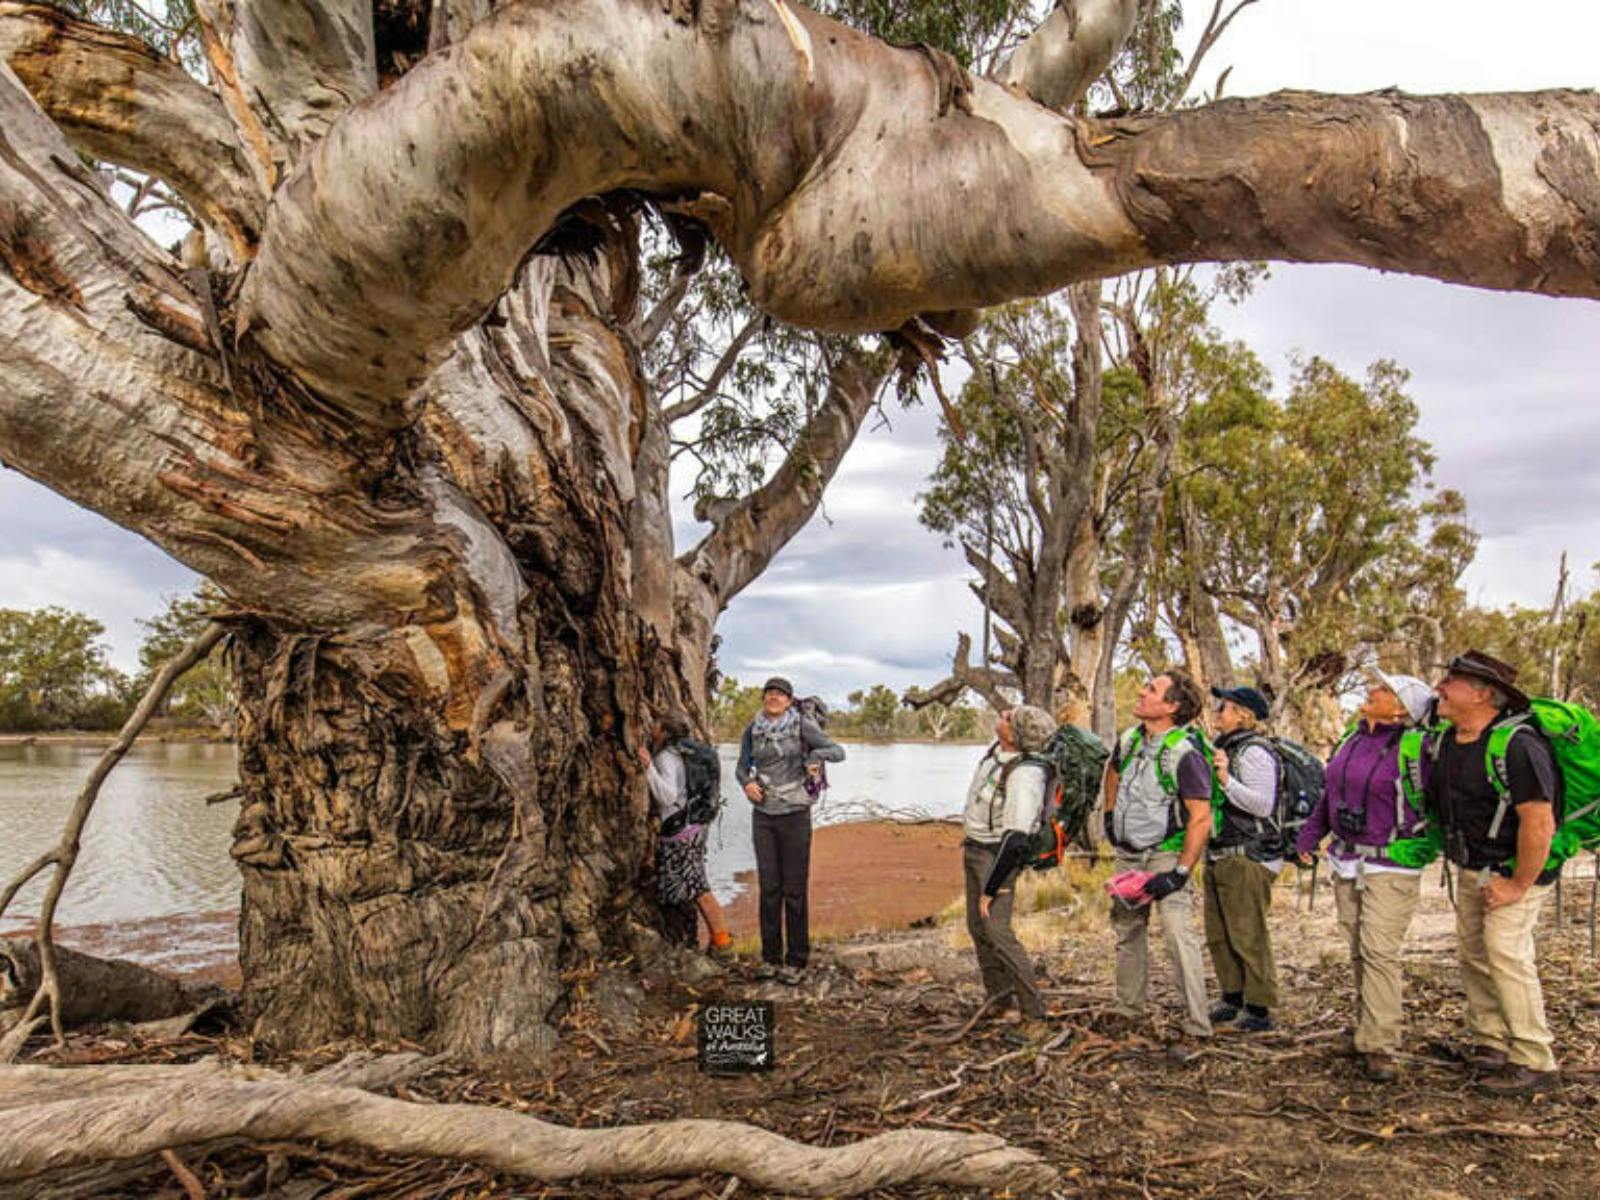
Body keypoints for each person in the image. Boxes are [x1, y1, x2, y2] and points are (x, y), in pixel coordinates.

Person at [1427, 650, 1561, 1095]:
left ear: (1484, 694)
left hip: (1515, 871)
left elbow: (1539, 822)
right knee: (1474, 955)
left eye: (1452, 681)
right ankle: (1491, 1043)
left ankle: (1535, 1059)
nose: (1440, 688)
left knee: (1506, 955)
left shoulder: (1520, 746)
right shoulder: (1448, 741)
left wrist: (1518, 884)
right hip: (1472, 867)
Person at [1296, 668, 1435, 1082]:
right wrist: (1309, 836)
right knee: (1359, 946)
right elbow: (1330, 794)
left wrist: (1422, 847)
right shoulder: (1352, 739)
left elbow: (1440, 803)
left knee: (1379, 949)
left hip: (1391, 864)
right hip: (1347, 860)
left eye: (1384, 689)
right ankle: (1367, 1026)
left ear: (1401, 708)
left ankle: (1382, 1043)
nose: (1372, 692)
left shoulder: (1416, 750)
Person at [1102, 669, 1214, 1039]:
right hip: (1128, 853)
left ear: (1172, 706)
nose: (1140, 692)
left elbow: (1200, 818)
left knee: (1177, 933)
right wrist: (1109, 814)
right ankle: (1127, 1007)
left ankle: (1198, 1024)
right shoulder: (1130, 739)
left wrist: (1179, 873)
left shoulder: (1185, 753)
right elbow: (1113, 772)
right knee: (1127, 930)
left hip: (1166, 856)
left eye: (1151, 690)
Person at [735, 677, 845, 984]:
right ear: (764, 698)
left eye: (779, 694)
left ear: (788, 700)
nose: (773, 698)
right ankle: (770, 959)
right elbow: (741, 767)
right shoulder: (752, 730)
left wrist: (814, 757)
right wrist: (747, 784)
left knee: (794, 890)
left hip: (796, 815)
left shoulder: (801, 727)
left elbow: (837, 751)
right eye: (769, 693)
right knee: (769, 889)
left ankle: (797, 960)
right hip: (764, 816)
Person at [962, 705, 1057, 1038]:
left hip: (996, 857)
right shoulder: (997, 754)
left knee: (998, 933)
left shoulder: (1025, 774)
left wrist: (992, 886)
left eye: (1007, 716)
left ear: (1015, 733)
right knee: (977, 927)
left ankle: (1035, 1016)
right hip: (974, 848)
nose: (1000, 714)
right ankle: (1000, 999)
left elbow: (1017, 836)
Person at [1202, 685, 1282, 1034]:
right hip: (1221, 852)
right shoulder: (1225, 747)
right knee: (1220, 932)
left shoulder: (1254, 753)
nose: (1218, 712)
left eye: (1225, 707)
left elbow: (1262, 804)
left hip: (1248, 855)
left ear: (1244, 715)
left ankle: (1259, 1007)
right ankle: (1231, 996)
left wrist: (1225, 781)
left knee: (1247, 932)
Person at [639, 712, 733, 957]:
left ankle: (722, 943)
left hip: (680, 832)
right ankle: (716, 942)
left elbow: (668, 796)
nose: (651, 730)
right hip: (695, 826)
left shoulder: (666, 757)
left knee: (697, 887)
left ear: (665, 732)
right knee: (692, 885)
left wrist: (649, 768)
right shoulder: (688, 754)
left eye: (655, 726)